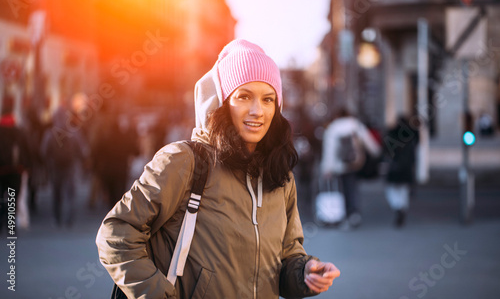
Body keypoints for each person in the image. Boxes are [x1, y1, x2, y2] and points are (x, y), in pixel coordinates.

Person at [96, 39, 340, 298]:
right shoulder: (184, 161)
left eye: (268, 99)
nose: (258, 110)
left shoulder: (280, 175)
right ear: (221, 103)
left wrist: (303, 272)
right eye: (244, 96)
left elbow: (287, 254)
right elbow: (116, 234)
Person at [320, 107, 381, 229]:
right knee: (352, 187)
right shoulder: (355, 124)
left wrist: (327, 168)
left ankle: (344, 215)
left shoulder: (333, 127)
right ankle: (354, 213)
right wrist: (377, 153)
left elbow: (330, 150)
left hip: (339, 165)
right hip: (354, 162)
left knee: (341, 190)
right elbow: (368, 141)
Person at [41, 100, 89, 227]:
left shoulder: (50, 133)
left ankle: (57, 218)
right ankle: (69, 218)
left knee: (56, 192)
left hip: (55, 166)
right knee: (70, 193)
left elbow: (44, 151)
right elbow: (83, 150)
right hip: (70, 166)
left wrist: (48, 163)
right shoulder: (74, 132)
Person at [0, 99, 31, 233]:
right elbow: (27, 150)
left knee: (1, 197)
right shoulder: (19, 131)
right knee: (13, 198)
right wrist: (27, 167)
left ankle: (1, 223)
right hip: (16, 170)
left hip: (1, 171)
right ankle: (11, 226)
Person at [384, 116, 419, 228]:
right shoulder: (412, 135)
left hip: (395, 166)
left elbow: (386, 150)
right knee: (403, 189)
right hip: (406, 166)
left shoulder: (392, 134)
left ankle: (397, 208)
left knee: (393, 189)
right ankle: (402, 207)